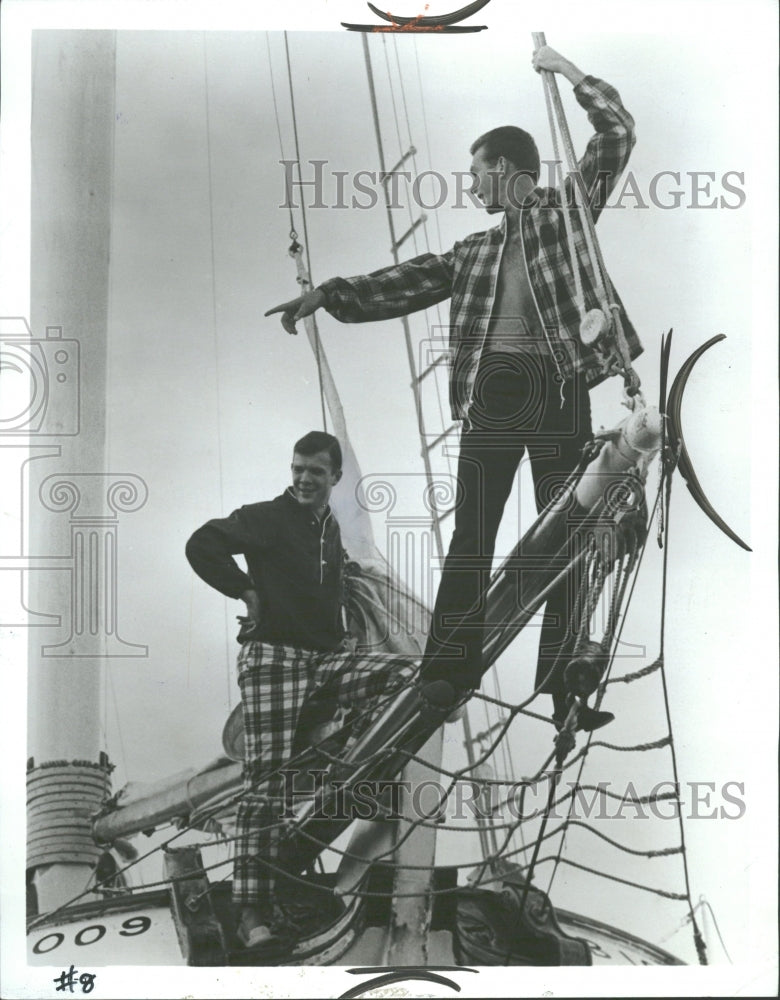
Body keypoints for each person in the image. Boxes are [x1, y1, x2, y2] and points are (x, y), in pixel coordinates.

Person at [265, 46, 642, 730]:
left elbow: (616, 133)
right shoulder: (472, 251)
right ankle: (446, 670)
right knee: (473, 532)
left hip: (558, 384)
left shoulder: (568, 214)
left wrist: (563, 70)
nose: (471, 189)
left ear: (502, 169)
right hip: (493, 392)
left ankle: (564, 684)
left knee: (564, 529)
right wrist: (327, 295)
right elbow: (404, 281)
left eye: (475, 175)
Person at [185, 430, 416, 949]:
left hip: (327, 661)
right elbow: (202, 544)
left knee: (406, 678)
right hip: (274, 659)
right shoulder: (267, 517)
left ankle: (345, 776)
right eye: (298, 469)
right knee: (265, 783)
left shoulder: (330, 531)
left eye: (316, 471)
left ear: (335, 478)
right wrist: (245, 589)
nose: (304, 479)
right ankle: (250, 913)